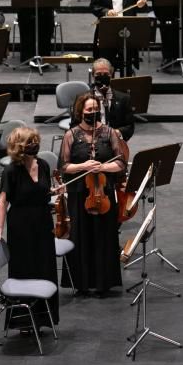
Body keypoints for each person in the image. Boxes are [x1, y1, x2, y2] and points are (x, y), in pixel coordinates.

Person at [0, 127, 59, 331]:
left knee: (44, 268)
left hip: (44, 223)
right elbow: (3, 202)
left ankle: (44, 319)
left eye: (35, 141)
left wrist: (55, 193)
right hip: (20, 227)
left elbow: (45, 193)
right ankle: (24, 322)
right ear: (19, 147)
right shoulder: (11, 170)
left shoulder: (44, 165)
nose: (34, 145)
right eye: (29, 142)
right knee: (25, 270)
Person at [58, 93, 126, 296]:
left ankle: (104, 282)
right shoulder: (71, 135)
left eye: (96, 109)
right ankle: (82, 283)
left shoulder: (110, 133)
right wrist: (83, 166)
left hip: (103, 192)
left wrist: (103, 166)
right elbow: (63, 166)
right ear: (81, 112)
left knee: (104, 236)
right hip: (79, 193)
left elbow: (121, 163)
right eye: (89, 110)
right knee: (81, 236)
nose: (93, 113)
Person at [90, 0, 147, 77]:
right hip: (107, 29)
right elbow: (93, 6)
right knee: (106, 62)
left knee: (127, 62)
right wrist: (106, 11)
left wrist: (142, 4)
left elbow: (141, 6)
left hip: (127, 29)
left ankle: (126, 87)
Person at [75, 58, 135, 142]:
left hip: (115, 141)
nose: (102, 77)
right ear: (93, 75)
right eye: (98, 74)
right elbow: (74, 126)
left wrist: (116, 133)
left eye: (106, 74)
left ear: (111, 74)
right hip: (89, 141)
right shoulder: (82, 98)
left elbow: (130, 127)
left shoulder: (124, 98)